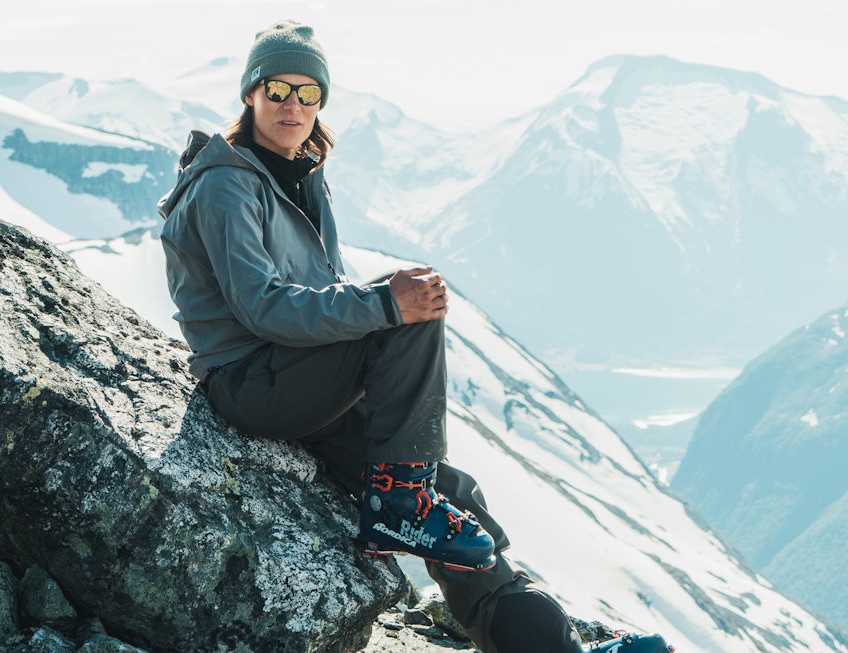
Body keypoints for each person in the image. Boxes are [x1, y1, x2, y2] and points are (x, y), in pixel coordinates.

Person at [158, 19, 673, 653]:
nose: (293, 105)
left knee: (451, 496)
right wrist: (384, 305)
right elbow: (264, 308)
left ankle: (546, 646)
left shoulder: (301, 174)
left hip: (301, 381)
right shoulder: (225, 185)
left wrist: (374, 357)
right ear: (250, 93)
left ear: (322, 101)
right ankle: (398, 506)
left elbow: (320, 295)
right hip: (251, 384)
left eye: (308, 91)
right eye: (278, 89)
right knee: (408, 309)